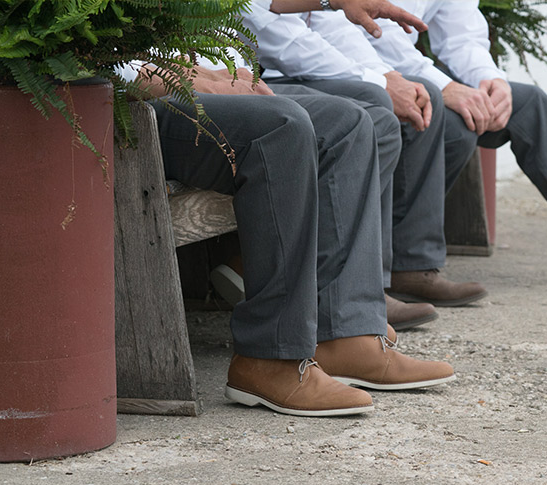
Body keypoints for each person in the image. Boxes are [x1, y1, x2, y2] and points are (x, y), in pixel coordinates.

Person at [120, 0, 456, 417]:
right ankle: (270, 356)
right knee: (282, 126)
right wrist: (185, 77)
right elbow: (83, 52)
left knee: (348, 122)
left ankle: (344, 334)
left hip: (215, 75)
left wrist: (231, 71)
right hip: (136, 102)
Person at [314, 0, 547, 288]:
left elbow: (462, 32)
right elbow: (347, 32)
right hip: (349, 71)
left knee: (526, 102)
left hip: (411, 73)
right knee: (447, 114)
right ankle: (409, 265)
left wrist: (489, 80)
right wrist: (445, 86)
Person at [242, 4, 488, 332]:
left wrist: (384, 74)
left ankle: (406, 268)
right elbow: (274, 31)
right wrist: (377, 79)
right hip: (269, 69)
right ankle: (357, 294)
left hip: (277, 65)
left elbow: (333, 25)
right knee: (374, 113)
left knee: (416, 96)